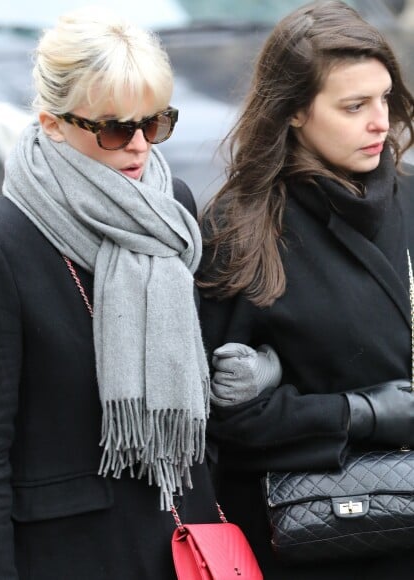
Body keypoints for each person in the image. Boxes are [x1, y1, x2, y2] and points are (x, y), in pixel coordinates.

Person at [0, 6, 222, 579]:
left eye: (157, 123)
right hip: (71, 555)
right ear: (52, 123)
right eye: (117, 128)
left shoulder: (172, 211)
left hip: (184, 543)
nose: (141, 147)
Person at [197, 1, 414, 579]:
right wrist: (359, 413)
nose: (380, 122)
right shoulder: (237, 230)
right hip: (309, 540)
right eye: (354, 106)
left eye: (385, 98)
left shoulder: (410, 203)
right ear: (294, 111)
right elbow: (225, 425)